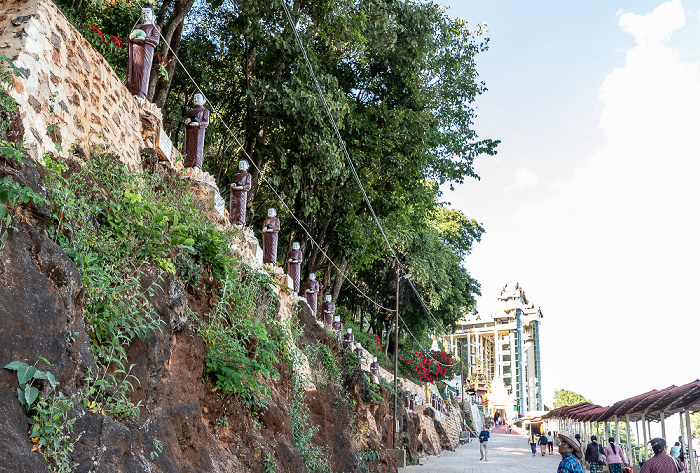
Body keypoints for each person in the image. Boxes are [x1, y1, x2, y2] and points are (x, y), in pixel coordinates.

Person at [126, 4, 160, 99]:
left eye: (147, 12)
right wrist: (131, 37)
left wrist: (144, 38)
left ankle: (140, 94)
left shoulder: (155, 27)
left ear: (153, 16)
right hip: (135, 50)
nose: (144, 14)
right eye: (143, 13)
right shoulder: (137, 26)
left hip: (146, 52)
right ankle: (130, 88)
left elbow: (156, 41)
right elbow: (131, 37)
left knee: (143, 71)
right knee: (134, 69)